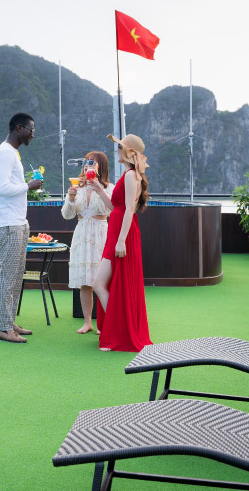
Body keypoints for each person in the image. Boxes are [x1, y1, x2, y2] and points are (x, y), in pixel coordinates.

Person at [90, 133, 152, 352]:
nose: (116, 150)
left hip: (121, 234)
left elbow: (128, 212)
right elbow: (114, 207)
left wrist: (121, 241)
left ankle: (118, 334)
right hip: (117, 232)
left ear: (127, 152)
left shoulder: (130, 176)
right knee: (103, 284)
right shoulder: (130, 175)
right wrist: (98, 188)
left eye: (119, 147)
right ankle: (118, 331)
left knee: (99, 284)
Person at [0, 112, 44, 343]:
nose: (33, 134)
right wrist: (28, 185)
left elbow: (9, 185)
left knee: (15, 274)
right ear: (19, 128)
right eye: (31, 130)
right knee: (7, 276)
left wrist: (25, 186)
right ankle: (3, 327)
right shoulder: (6, 154)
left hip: (17, 221)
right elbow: (1, 188)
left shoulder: (12, 153)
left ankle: (9, 321)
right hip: (8, 223)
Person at [60, 151, 112, 335]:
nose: (88, 166)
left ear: (101, 167)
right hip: (82, 234)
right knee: (85, 282)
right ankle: (87, 322)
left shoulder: (108, 188)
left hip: (101, 234)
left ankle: (104, 323)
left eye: (93, 163)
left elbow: (111, 210)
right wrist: (71, 198)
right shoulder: (78, 188)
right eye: (87, 162)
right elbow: (67, 215)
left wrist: (98, 187)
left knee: (102, 280)